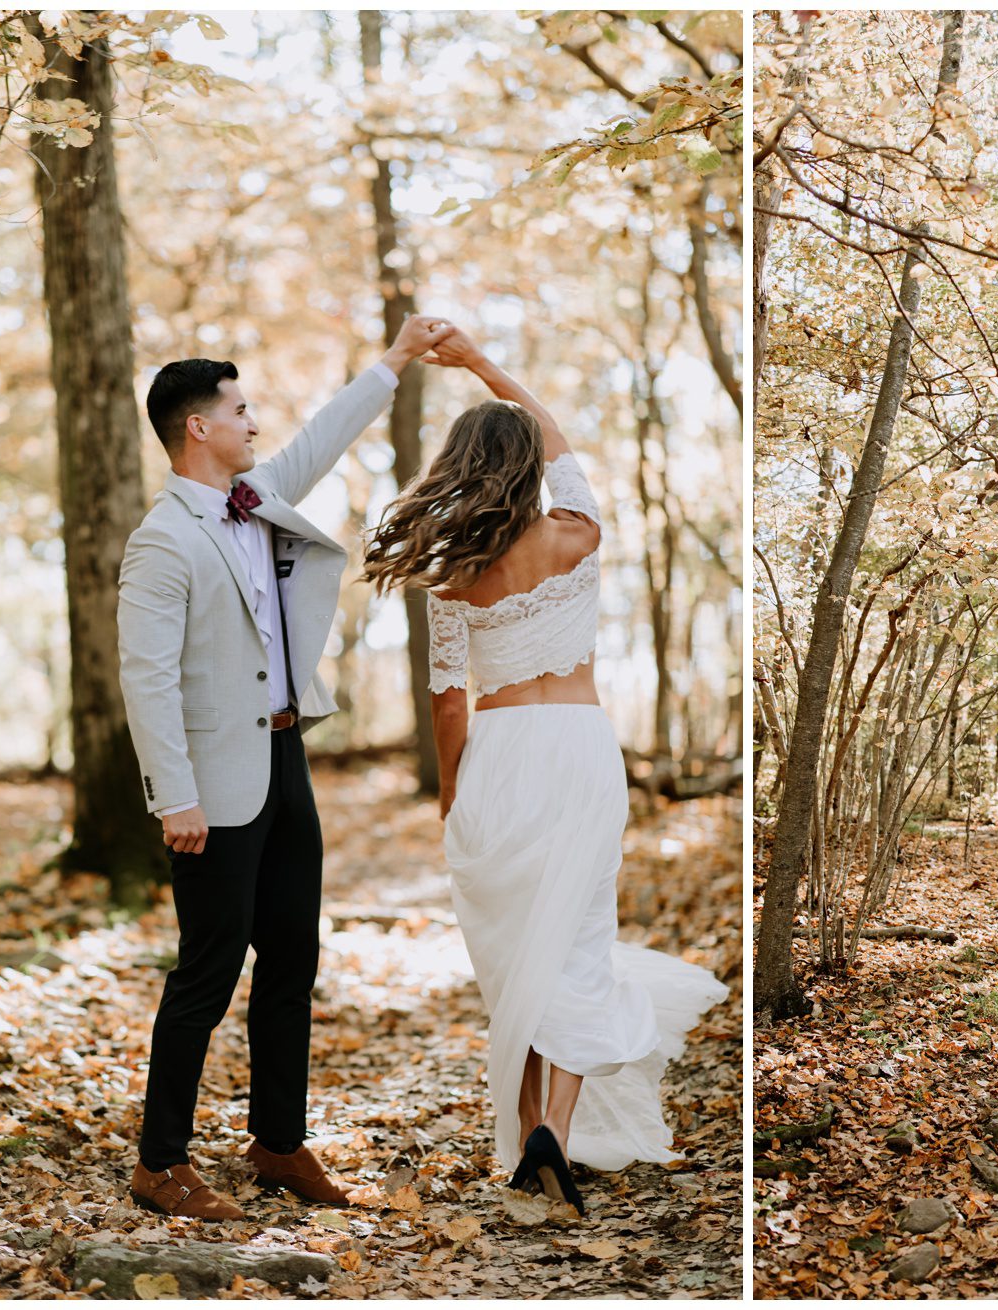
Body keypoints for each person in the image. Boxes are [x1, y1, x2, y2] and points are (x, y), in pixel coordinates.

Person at [362, 326, 725, 1214]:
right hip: (578, 746)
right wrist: (486, 365)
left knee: (519, 953)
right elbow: (556, 433)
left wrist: (453, 790)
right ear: (526, 467)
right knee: (576, 943)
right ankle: (549, 1133)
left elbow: (449, 702)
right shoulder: (576, 533)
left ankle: (533, 1131)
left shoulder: (454, 579)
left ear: (458, 469)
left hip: (500, 754)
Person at [118, 313, 457, 1219]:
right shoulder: (162, 540)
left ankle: (277, 1142)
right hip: (212, 791)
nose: (254, 420)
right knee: (209, 968)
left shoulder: (254, 498)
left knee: (292, 960)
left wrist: (394, 360)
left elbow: (324, 438)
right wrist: (174, 796)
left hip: (283, 758)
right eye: (240, 408)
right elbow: (144, 678)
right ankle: (161, 1163)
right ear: (199, 426)